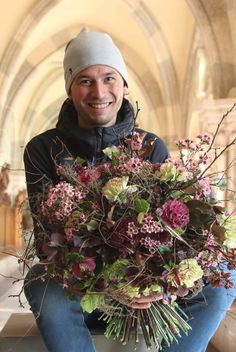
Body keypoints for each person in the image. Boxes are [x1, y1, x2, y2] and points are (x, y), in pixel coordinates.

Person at [23, 28, 236, 352]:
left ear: (124, 84)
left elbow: (177, 234)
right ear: (70, 90)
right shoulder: (43, 150)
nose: (99, 91)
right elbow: (46, 244)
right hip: (84, 296)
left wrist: (159, 282)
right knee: (41, 279)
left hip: (149, 297)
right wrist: (108, 282)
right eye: (85, 80)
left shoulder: (151, 146)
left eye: (109, 77)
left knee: (226, 274)